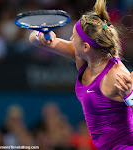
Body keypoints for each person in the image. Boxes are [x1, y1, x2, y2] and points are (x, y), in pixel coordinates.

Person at [29, 0, 133, 149]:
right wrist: (43, 35)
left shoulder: (116, 75)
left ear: (86, 46)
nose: (70, 40)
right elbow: (34, 40)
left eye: (73, 37)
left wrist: (130, 96)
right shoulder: (83, 56)